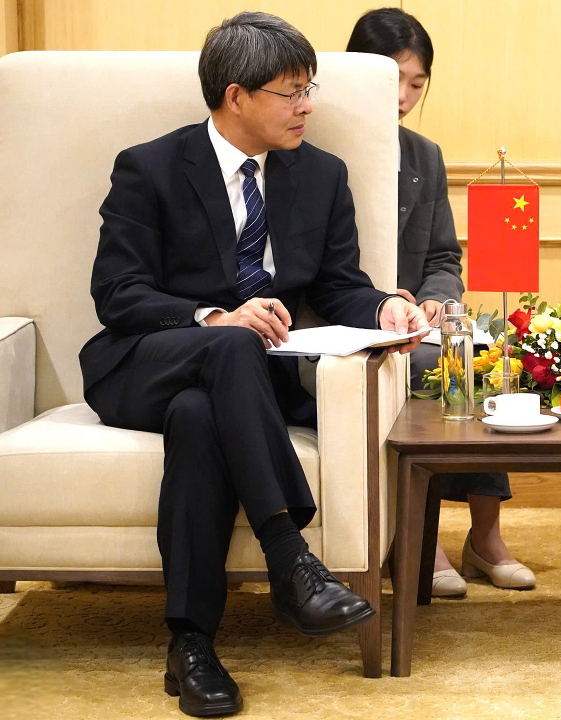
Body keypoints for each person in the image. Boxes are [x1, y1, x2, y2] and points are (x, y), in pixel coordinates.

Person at [79, 13, 430, 716]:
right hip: (145, 362)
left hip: (238, 388)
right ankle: (288, 556)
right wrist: (213, 318)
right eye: (290, 92)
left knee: (198, 418)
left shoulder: (321, 175)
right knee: (233, 345)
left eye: (308, 89)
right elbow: (118, 293)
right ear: (235, 97)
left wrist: (385, 305)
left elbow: (339, 286)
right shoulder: (149, 168)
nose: (306, 106)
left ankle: (191, 646)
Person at [347, 8, 534, 598]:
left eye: (417, 84)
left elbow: (444, 257)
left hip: (414, 324)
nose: (404, 98)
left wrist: (435, 299)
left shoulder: (423, 156)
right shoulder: (314, 145)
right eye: (392, 80)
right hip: (348, 324)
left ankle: (485, 537)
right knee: (438, 367)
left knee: (480, 360)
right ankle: (418, 538)